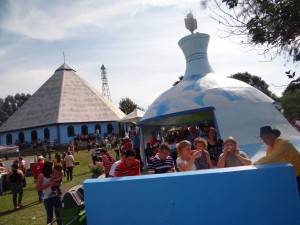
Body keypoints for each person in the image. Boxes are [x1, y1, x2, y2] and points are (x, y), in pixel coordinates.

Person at [254, 126, 300, 194]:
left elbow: (271, 158)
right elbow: (269, 163)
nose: (264, 141)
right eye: (262, 139)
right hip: (289, 177)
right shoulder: (269, 148)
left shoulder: (284, 144)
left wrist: (254, 165)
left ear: (272, 135)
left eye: (265, 138)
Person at [36, 161, 62, 225]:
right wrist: (49, 185)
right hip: (48, 198)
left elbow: (60, 181)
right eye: (52, 166)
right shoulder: (41, 175)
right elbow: (37, 188)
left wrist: (58, 183)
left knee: (59, 215)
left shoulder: (53, 173)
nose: (53, 167)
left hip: (56, 196)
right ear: (48, 167)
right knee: (49, 216)